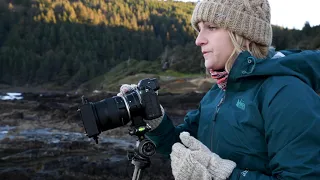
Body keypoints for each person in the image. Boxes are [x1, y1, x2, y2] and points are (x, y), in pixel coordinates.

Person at [118, 0, 320, 179]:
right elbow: (182, 147)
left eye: (211, 27)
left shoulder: (287, 94)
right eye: (199, 29)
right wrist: (156, 121)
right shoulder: (218, 93)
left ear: (243, 33)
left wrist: (223, 174)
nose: (199, 40)